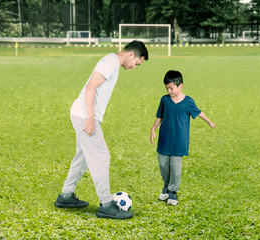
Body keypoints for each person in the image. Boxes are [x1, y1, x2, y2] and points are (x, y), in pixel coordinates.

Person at [54, 40, 149, 219]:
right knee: (101, 156)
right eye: (136, 63)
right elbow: (91, 87)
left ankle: (66, 196)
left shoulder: (112, 62)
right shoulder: (111, 62)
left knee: (82, 157)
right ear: (130, 55)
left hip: (81, 113)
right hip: (84, 115)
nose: (134, 67)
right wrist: (91, 118)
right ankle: (106, 204)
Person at [150, 70, 216, 205]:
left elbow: (199, 112)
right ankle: (166, 187)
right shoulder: (165, 100)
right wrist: (153, 129)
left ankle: (173, 192)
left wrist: (209, 122)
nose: (169, 91)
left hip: (179, 142)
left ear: (180, 86)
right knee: (163, 165)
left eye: (171, 88)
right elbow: (160, 116)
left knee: (175, 167)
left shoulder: (188, 101)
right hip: (164, 139)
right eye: (167, 88)